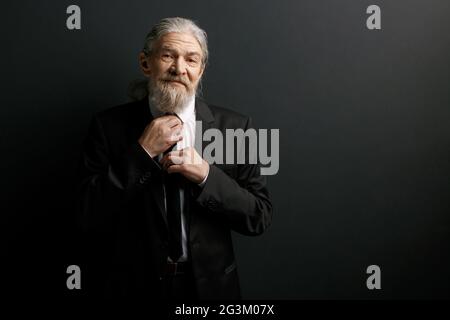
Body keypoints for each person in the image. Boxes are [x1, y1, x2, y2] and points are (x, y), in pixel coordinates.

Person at [78, 17, 272, 300]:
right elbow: (86, 212)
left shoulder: (235, 127)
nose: (179, 68)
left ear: (200, 70)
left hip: (211, 290)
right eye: (168, 55)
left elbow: (259, 216)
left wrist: (207, 175)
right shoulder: (108, 127)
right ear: (146, 63)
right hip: (133, 289)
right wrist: (141, 153)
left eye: (191, 60)